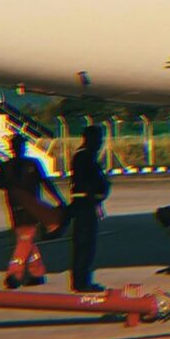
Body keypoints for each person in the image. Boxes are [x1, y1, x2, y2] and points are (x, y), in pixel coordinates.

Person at [0, 139, 60, 288]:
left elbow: (45, 182)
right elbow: (45, 183)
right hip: (19, 207)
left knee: (25, 238)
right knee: (26, 238)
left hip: (26, 207)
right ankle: (36, 272)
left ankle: (15, 273)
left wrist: (59, 200)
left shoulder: (13, 166)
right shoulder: (17, 165)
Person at [66, 122, 109, 294]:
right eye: (97, 139)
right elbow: (86, 183)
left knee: (87, 245)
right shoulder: (83, 157)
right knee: (84, 244)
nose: (100, 143)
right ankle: (81, 282)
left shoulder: (87, 157)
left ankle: (83, 279)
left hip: (88, 204)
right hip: (84, 205)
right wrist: (94, 198)